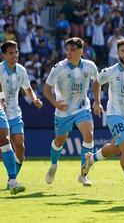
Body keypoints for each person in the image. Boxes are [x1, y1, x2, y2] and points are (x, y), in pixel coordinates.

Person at [81, 38, 124, 199]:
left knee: (115, 148)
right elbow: (97, 82)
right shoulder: (111, 71)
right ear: (117, 53)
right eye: (122, 51)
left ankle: (91, 158)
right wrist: (97, 102)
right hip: (114, 114)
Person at [43, 37, 98, 186]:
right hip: (63, 111)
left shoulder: (90, 66)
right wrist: (55, 103)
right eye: (67, 50)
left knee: (89, 135)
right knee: (60, 139)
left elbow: (97, 82)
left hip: (82, 107)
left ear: (81, 51)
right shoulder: (59, 68)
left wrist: (97, 102)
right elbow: (46, 89)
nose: (68, 53)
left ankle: (83, 174)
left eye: (72, 50)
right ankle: (53, 165)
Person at [0, 41, 43, 189]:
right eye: (11, 53)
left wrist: (35, 99)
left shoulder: (21, 70)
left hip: (15, 113)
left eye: (16, 52)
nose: (15, 55)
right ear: (4, 55)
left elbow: (28, 88)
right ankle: (13, 180)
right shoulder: (0, 70)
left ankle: (11, 179)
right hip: (1, 112)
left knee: (20, 147)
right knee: (5, 142)